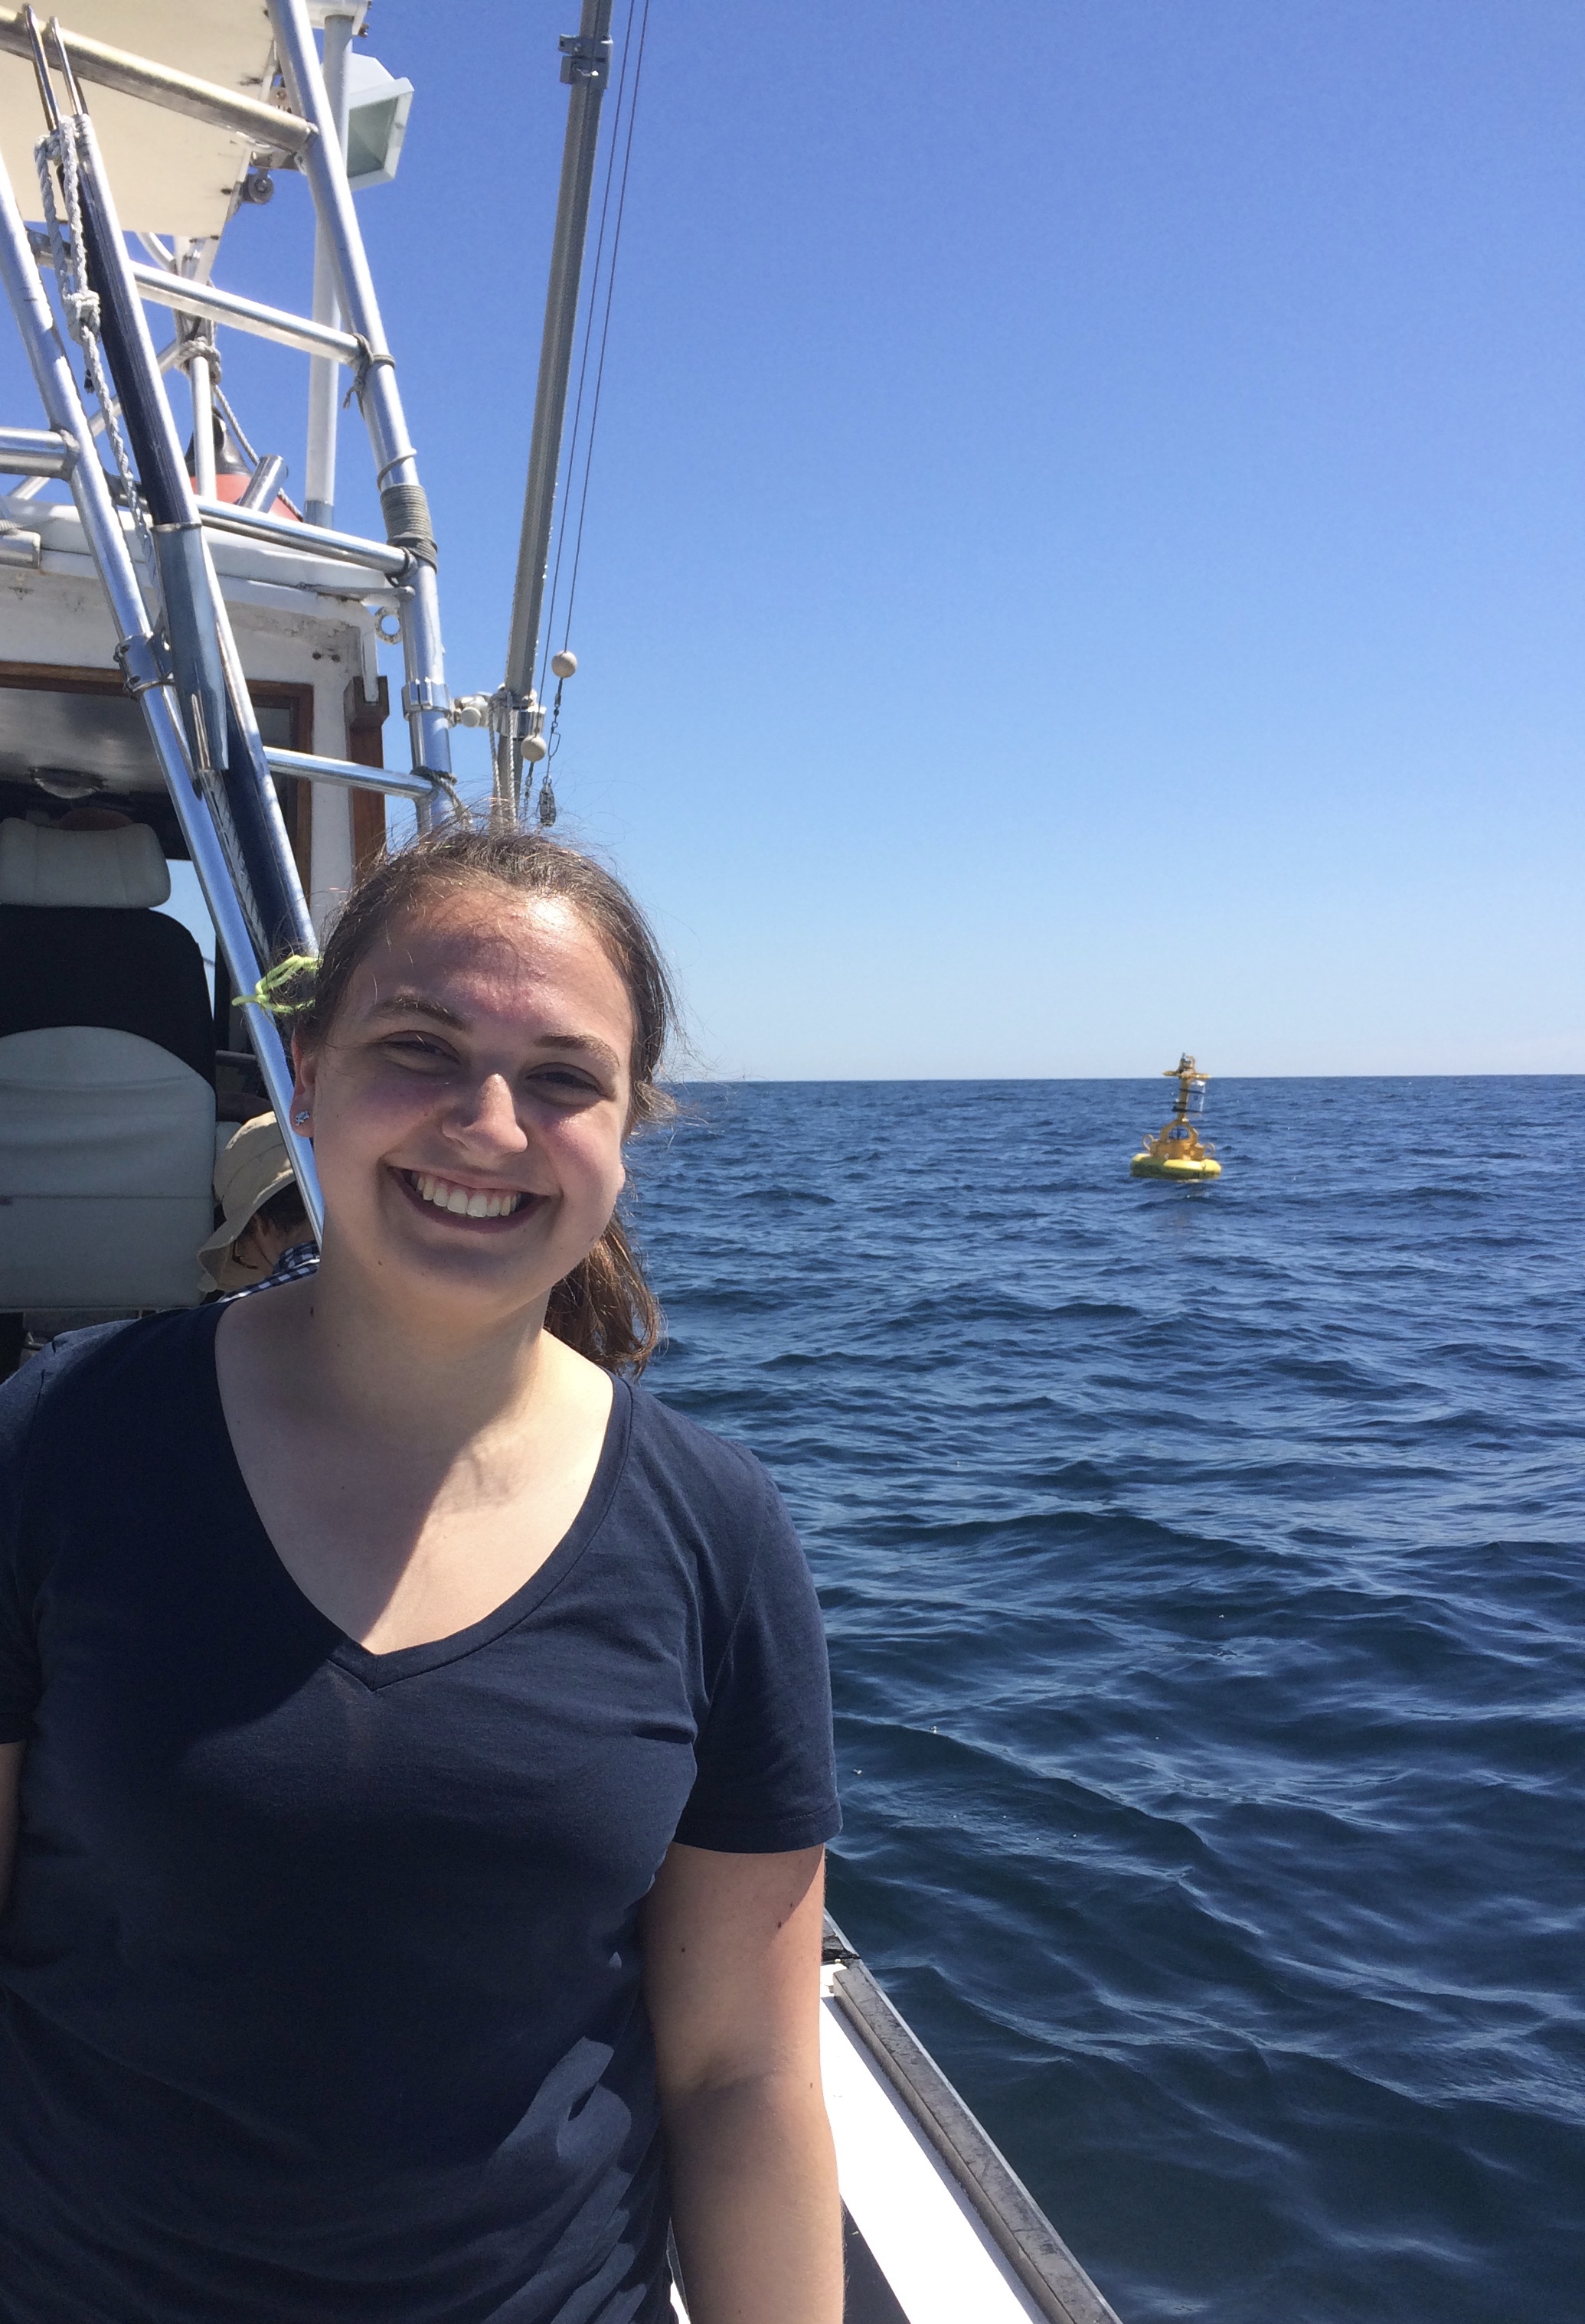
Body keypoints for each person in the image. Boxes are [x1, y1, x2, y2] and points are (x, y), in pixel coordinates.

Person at [0, 822, 843, 2324]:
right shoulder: (58, 1444)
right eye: (420, 1047)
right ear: (307, 1076)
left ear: (627, 1129)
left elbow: (743, 2076)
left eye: (564, 1077)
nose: (489, 1123)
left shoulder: (717, 1530)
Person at [198, 1109, 316, 1296]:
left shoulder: (237, 1311)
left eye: (243, 1255)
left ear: (258, 1224)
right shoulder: (366, 1285)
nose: (258, 1270)